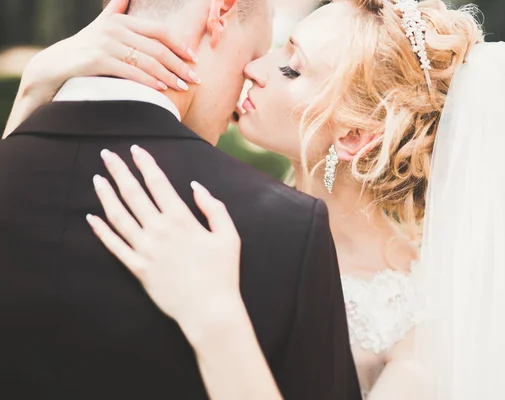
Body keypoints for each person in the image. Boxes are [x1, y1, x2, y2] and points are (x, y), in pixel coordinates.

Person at [6, 0, 505, 399]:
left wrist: (216, 318)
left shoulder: (419, 329)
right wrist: (37, 87)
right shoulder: (217, 202)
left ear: (355, 135)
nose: (254, 68)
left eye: (292, 70)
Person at [0, 0, 361, 399]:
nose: (252, 74)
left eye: (289, 67)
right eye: (255, 54)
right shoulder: (288, 228)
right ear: (219, 14)